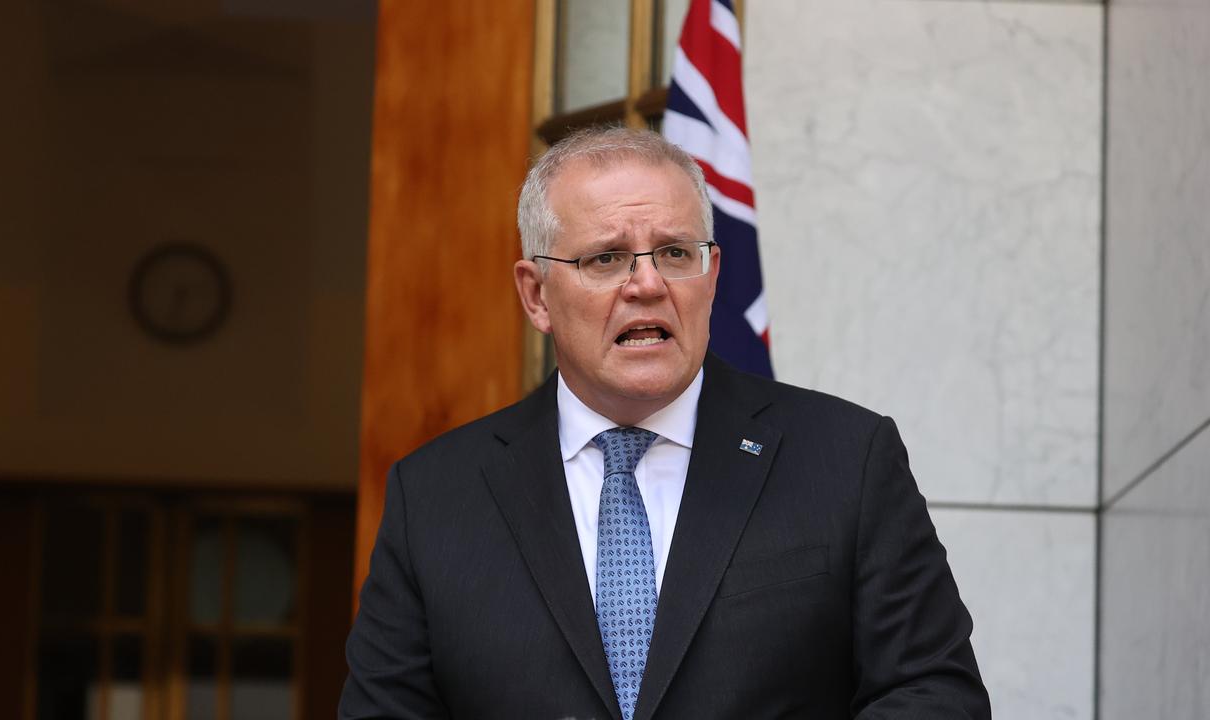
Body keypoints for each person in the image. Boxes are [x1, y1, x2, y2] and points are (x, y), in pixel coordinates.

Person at [339, 127, 990, 719]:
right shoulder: (434, 497)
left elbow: (934, 695)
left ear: (711, 275)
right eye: (606, 258)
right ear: (536, 295)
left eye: (676, 253)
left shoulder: (846, 459)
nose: (647, 284)